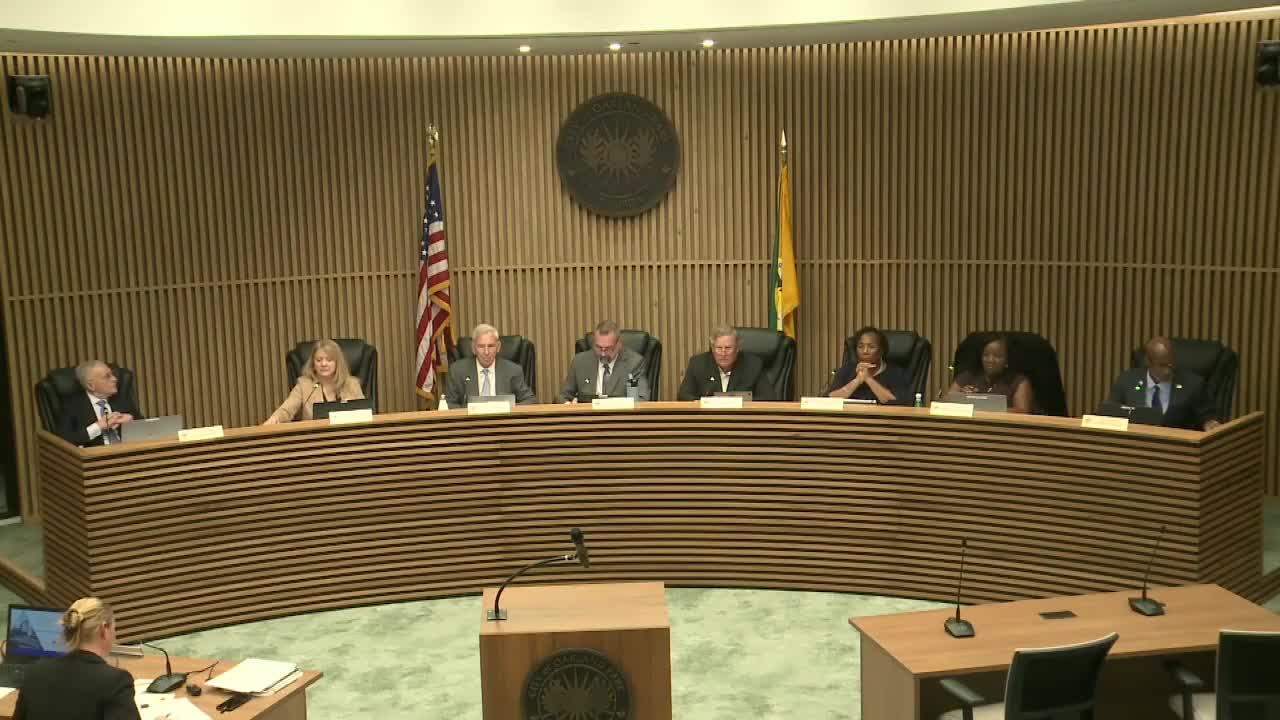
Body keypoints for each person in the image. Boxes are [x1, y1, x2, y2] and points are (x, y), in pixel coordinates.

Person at [14, 597, 142, 720]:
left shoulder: (35, 672)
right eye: (114, 628)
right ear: (104, 630)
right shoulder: (116, 681)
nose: (115, 635)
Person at [1108, 336, 1220, 431]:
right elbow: (1110, 413)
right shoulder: (1127, 380)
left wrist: (1210, 424)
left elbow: (1207, 416)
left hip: (1177, 444)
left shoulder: (1193, 384)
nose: (1168, 371)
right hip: (1134, 443)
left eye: (1170, 364)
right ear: (1148, 362)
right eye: (1162, 365)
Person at [264, 339, 365, 423]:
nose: (323, 364)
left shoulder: (352, 384)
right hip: (315, 437)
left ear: (337, 363)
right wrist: (275, 418)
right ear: (313, 363)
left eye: (329, 360)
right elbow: (286, 410)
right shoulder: (304, 385)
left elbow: (366, 413)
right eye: (319, 360)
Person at [56, 360, 146, 447]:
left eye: (112, 374)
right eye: (107, 376)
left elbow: (147, 429)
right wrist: (98, 427)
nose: (115, 379)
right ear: (91, 385)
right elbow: (64, 441)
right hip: (96, 455)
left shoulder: (121, 399)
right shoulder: (72, 407)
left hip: (127, 451)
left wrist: (132, 421)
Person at [443, 324, 536, 407]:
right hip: (470, 419)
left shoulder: (513, 370)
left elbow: (530, 400)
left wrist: (508, 408)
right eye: (481, 346)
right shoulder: (457, 370)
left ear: (498, 347)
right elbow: (448, 404)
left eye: (491, 346)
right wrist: (468, 411)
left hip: (503, 419)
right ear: (473, 348)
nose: (486, 352)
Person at [558, 321, 650, 402]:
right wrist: (569, 405)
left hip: (619, 415)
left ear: (619, 344)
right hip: (588, 415)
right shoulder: (580, 362)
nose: (603, 354)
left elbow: (642, 399)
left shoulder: (634, 363)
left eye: (608, 348)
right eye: (598, 347)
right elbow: (562, 397)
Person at [677, 325, 774, 401]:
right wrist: (704, 403)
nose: (723, 353)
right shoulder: (698, 364)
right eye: (719, 348)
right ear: (712, 349)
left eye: (728, 348)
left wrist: (741, 403)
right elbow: (683, 396)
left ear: (737, 349)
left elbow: (768, 398)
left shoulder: (753, 365)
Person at [947, 334, 1034, 413]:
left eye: (997, 356)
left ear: (1007, 360)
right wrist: (961, 397)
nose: (990, 360)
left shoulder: (1019, 381)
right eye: (986, 355)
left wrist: (981, 408)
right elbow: (946, 402)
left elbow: (1022, 411)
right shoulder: (968, 376)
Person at [827, 326, 911, 405]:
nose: (865, 351)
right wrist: (857, 381)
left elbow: (900, 402)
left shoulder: (896, 373)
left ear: (881, 350)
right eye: (860, 346)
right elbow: (829, 400)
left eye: (871, 347)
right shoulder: (846, 371)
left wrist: (868, 378)